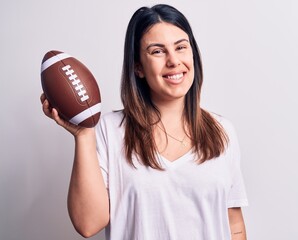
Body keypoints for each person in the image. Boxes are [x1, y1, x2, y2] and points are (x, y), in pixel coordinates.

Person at [41, 4, 248, 240]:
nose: (173, 61)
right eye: (157, 51)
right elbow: (88, 224)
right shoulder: (109, 131)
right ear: (138, 66)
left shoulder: (222, 131)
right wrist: (83, 135)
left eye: (181, 47)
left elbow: (234, 226)